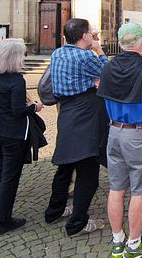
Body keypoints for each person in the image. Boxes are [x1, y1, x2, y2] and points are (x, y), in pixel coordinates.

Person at [98, 22, 142, 258]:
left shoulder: (107, 67)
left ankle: (118, 240)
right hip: (139, 133)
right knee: (140, 190)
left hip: (114, 132)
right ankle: (134, 245)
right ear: (141, 42)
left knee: (116, 187)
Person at [44, 18, 108, 236]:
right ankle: (77, 223)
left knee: (65, 165)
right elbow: (107, 72)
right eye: (90, 33)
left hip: (67, 112)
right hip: (85, 115)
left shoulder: (58, 53)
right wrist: (99, 50)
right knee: (88, 171)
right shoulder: (85, 56)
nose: (92, 36)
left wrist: (90, 82)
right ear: (84, 36)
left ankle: (55, 210)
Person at [0, 38, 43, 235]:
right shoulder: (15, 80)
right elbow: (17, 111)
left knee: (0, 171)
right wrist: (34, 107)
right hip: (11, 134)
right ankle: (3, 220)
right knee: (9, 176)